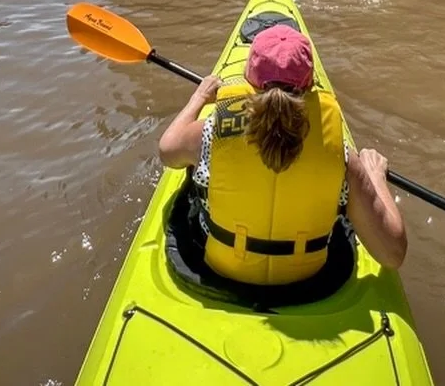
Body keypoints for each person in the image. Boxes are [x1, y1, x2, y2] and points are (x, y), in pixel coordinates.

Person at [158, 24, 407, 286]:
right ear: (310, 85)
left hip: (221, 269)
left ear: (248, 82)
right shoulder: (342, 156)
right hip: (307, 280)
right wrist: (374, 177)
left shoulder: (209, 133)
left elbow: (167, 152)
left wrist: (198, 98)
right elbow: (393, 255)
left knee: (190, 185)